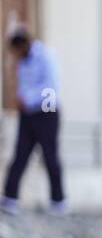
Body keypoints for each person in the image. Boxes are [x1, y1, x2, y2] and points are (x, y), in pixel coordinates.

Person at [2, 25, 65, 213]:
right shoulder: (22, 62)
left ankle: (58, 201)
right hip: (28, 113)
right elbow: (24, 85)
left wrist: (29, 99)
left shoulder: (45, 56)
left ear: (24, 44)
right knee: (20, 155)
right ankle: (10, 198)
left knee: (49, 156)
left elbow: (51, 87)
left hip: (46, 111)